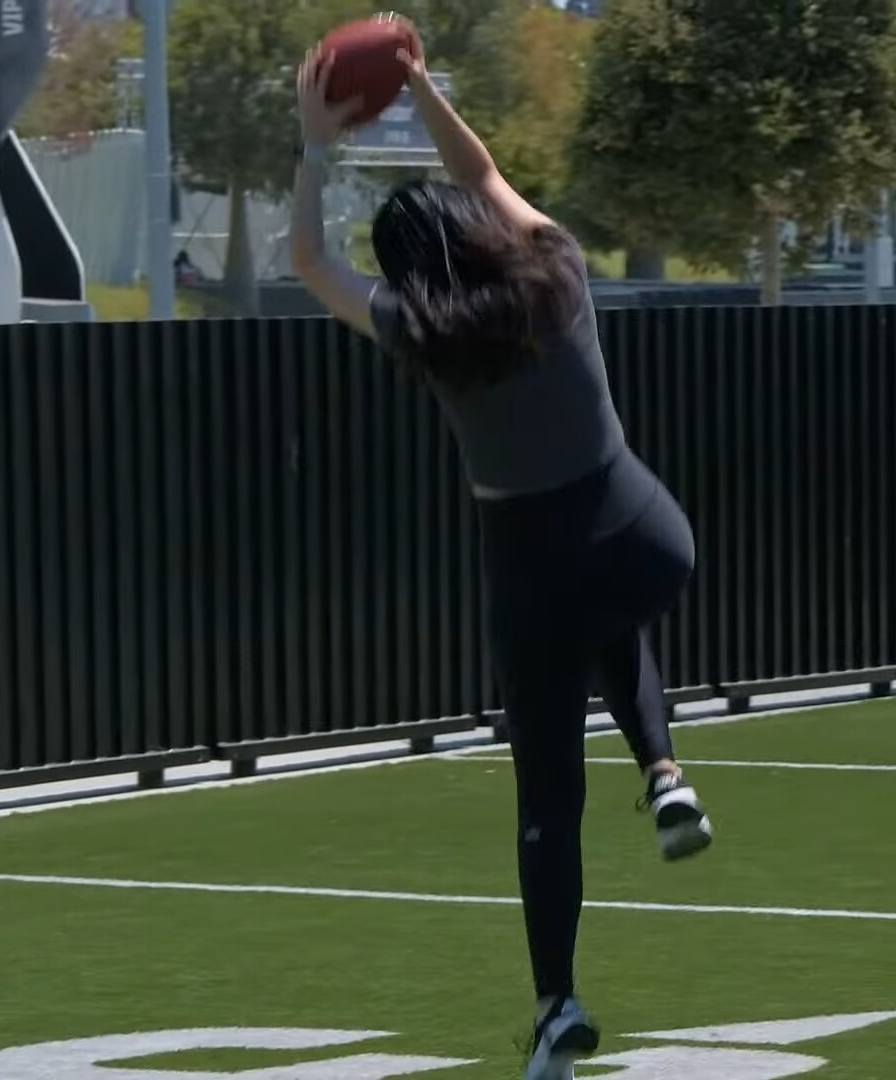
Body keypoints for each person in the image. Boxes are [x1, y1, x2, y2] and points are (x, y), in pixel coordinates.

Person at [289, 23, 715, 1080]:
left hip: (533, 572)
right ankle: (665, 770)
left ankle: (558, 1006)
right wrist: (423, 88)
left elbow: (307, 262)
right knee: (613, 609)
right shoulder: (557, 266)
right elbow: (482, 176)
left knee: (548, 807)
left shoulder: (424, 333)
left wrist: (313, 144)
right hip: (647, 535)